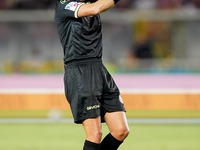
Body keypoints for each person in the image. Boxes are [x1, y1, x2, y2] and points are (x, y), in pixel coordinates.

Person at [54, 0, 130, 150]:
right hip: (79, 72)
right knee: (95, 134)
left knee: (121, 131)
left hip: (99, 68)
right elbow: (96, 8)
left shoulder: (88, 2)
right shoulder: (64, 4)